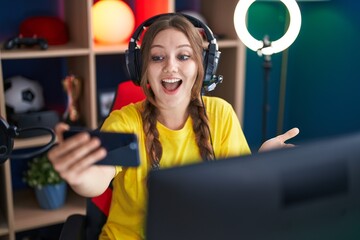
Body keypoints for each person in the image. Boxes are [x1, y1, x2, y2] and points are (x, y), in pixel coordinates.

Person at [48, 13, 299, 240]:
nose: (170, 66)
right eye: (157, 57)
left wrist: (263, 165)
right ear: (142, 69)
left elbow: (237, 194)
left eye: (183, 56)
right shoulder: (125, 122)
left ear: (202, 67)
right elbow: (97, 179)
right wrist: (80, 175)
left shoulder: (220, 114)